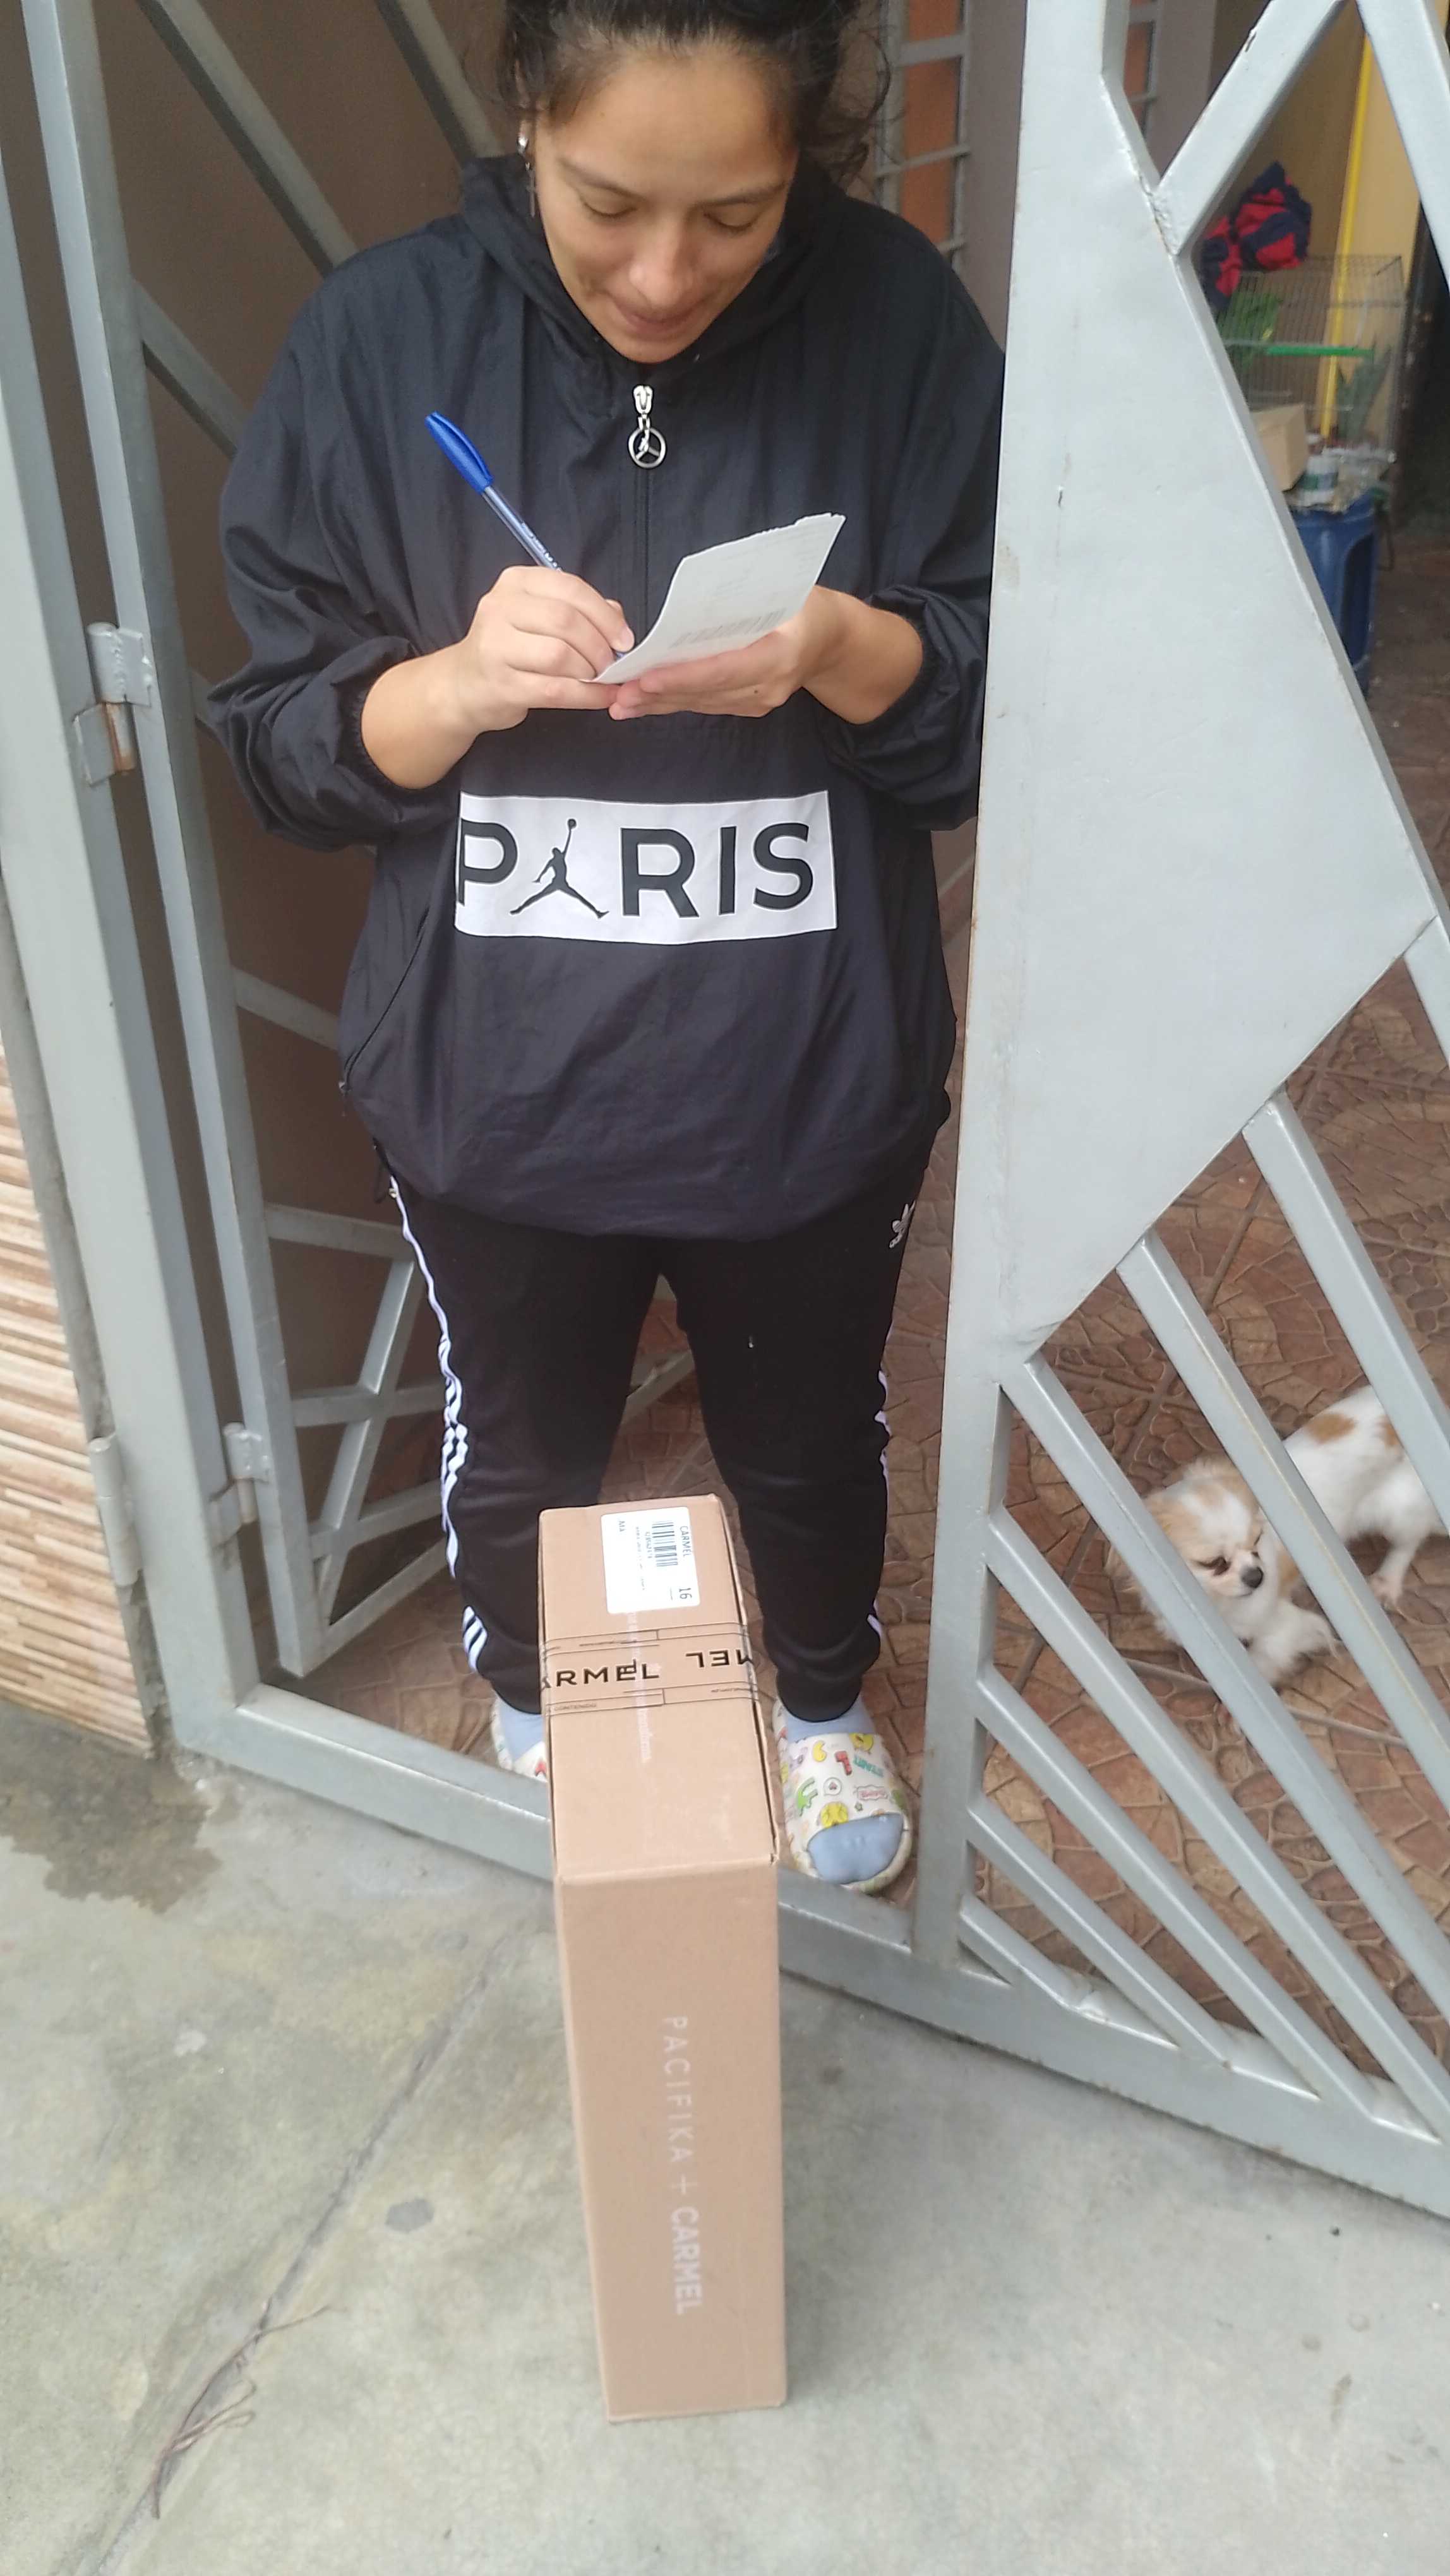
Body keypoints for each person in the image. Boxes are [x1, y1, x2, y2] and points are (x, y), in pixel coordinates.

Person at [210, 0, 1001, 1894]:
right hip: (498, 1088)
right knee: (521, 1438)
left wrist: (842, 648)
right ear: (525, 123)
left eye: (732, 217)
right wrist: (458, 683)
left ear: (808, 157)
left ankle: (823, 1703)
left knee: (807, 1437)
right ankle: (539, 1690)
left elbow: (998, 723)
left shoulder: (898, 323)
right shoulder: (385, 338)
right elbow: (281, 750)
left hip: (802, 1079)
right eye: (606, 205)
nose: (663, 277)